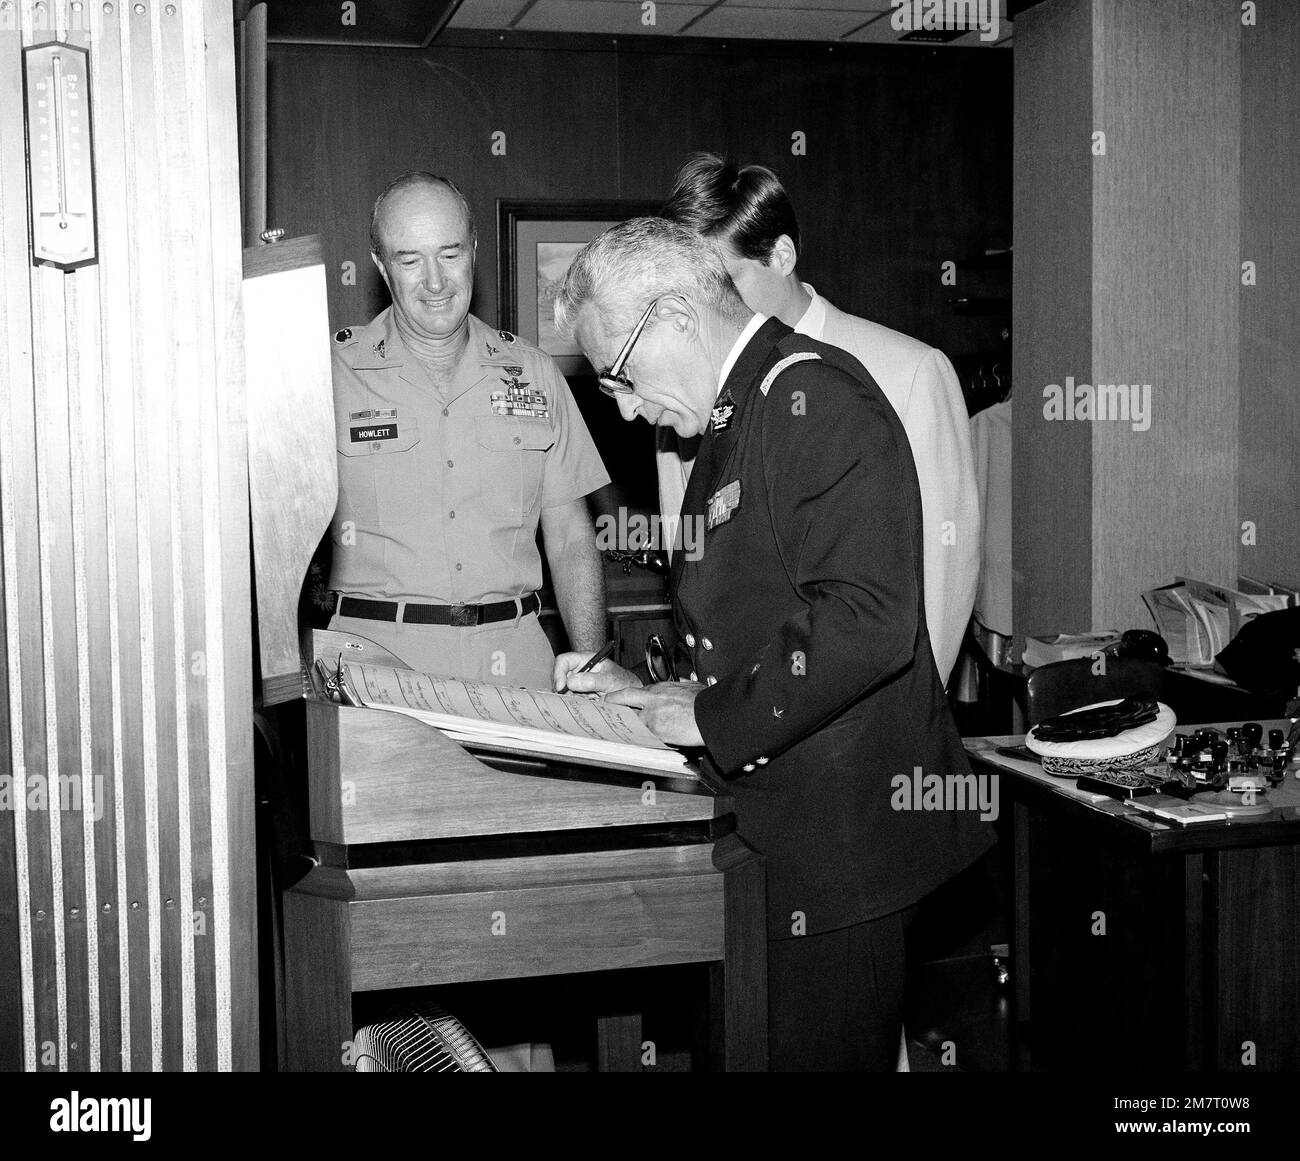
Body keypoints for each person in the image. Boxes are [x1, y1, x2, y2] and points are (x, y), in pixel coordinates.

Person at [550, 218, 994, 1071]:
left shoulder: (812, 395)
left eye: (620, 376)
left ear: (674, 315)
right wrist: (645, 690)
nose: (630, 405)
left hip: (841, 850)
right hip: (786, 836)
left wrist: (711, 714)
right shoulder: (737, 411)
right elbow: (754, 620)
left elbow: (868, 619)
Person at [660, 154, 979, 685]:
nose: (706, 309)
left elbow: (942, 574)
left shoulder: (909, 372)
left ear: (781, 255)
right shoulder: (681, 401)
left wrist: (909, 718)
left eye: (723, 282)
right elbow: (691, 565)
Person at [327, 171, 609, 689]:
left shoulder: (534, 371)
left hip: (515, 667)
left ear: (475, 250)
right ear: (380, 267)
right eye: (410, 260)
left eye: (450, 254)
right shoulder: (329, 377)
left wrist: (591, 666)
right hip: (374, 669)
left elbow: (570, 536)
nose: (435, 282)